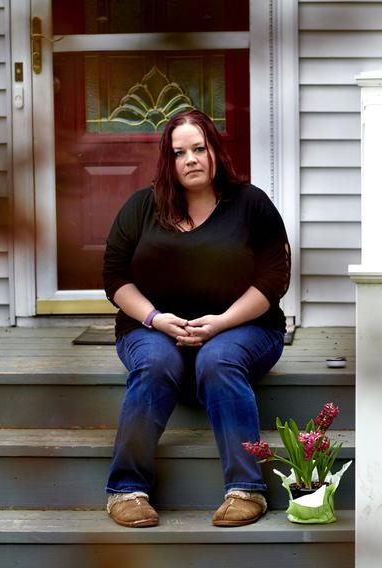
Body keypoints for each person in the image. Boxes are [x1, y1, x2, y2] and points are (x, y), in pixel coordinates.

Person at [102, 109, 292, 528]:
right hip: (152, 330)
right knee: (154, 362)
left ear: (214, 152)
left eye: (198, 148)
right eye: (179, 152)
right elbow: (114, 279)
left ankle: (246, 491)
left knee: (217, 359)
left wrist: (221, 322)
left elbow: (274, 277)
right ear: (168, 161)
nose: (190, 159)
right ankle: (126, 490)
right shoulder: (142, 207)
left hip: (245, 328)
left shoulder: (250, 204)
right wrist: (155, 319)